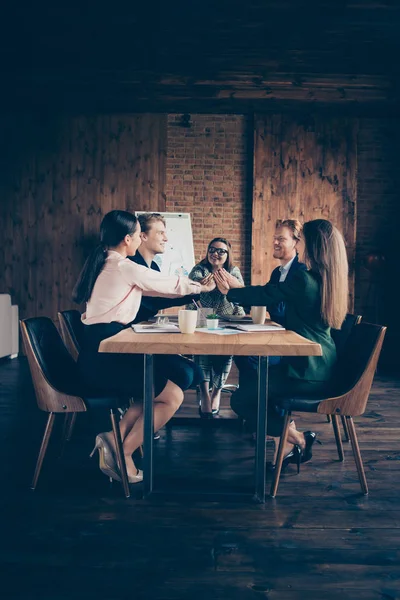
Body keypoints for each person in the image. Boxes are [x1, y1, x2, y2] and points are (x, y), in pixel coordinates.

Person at [73, 210, 215, 484]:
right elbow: (168, 284)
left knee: (161, 390)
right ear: (128, 239)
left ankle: (113, 439)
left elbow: (159, 289)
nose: (140, 239)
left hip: (101, 354)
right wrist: (200, 288)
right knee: (172, 397)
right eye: (139, 234)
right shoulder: (123, 267)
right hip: (105, 360)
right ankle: (122, 452)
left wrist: (193, 287)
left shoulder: (108, 263)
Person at [215, 219, 348, 470]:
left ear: (314, 246)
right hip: (320, 366)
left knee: (241, 401)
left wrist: (232, 290)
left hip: (307, 371)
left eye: (302, 241)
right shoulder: (329, 279)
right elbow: (270, 292)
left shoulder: (304, 279)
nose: (300, 245)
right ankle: (288, 443)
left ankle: (298, 439)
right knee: (254, 384)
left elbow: (268, 295)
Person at [129, 212, 204, 397]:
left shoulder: (153, 267)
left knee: (196, 373)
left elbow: (161, 297)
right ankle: (150, 412)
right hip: (131, 343)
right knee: (186, 374)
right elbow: (158, 298)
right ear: (143, 236)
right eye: (161, 232)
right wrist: (199, 290)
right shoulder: (131, 265)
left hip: (145, 339)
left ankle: (152, 412)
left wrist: (198, 290)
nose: (166, 238)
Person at [234, 219, 306, 380]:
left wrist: (237, 291)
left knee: (250, 357)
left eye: (281, 239)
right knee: (242, 353)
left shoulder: (301, 272)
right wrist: (237, 294)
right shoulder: (277, 272)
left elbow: (271, 301)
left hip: (296, 344)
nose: (275, 242)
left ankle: (261, 401)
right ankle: (256, 401)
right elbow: (265, 298)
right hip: (279, 337)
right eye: (275, 238)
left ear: (296, 242)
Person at [188, 237, 245, 418]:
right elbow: (193, 289)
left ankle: (217, 392)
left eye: (221, 251)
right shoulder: (199, 270)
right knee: (202, 356)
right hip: (203, 320)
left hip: (228, 320)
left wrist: (229, 289)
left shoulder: (233, 271)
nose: (215, 254)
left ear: (228, 254)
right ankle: (204, 393)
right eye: (212, 249)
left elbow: (240, 292)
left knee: (224, 356)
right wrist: (213, 286)